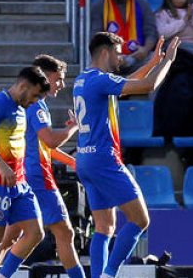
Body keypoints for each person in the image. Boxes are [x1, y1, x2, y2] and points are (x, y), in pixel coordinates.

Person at [74, 32, 179, 278]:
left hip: (85, 159)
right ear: (104, 52)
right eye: (117, 52)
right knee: (140, 220)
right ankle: (109, 274)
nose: (121, 58)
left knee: (104, 227)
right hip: (104, 159)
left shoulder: (84, 79)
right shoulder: (100, 80)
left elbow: (124, 86)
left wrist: (152, 63)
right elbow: (147, 86)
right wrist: (168, 62)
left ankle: (100, 275)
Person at [0, 54, 81, 278]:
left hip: (24, 176)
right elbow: (50, 139)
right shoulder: (33, 105)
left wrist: (71, 160)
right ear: (44, 75)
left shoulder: (27, 104)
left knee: (10, 237)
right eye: (59, 78)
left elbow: (42, 146)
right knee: (65, 233)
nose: (62, 84)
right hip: (36, 177)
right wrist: (75, 127)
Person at [0, 66, 54, 278]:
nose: (35, 101)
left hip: (19, 182)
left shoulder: (22, 108)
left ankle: (1, 276)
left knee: (35, 233)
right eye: (35, 95)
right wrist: (1, 164)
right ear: (23, 86)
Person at [91, 0, 158, 74]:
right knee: (93, 64)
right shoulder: (99, 6)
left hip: (137, 55)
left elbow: (151, 32)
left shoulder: (142, 3)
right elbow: (96, 36)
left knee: (157, 61)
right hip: (109, 57)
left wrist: (145, 50)